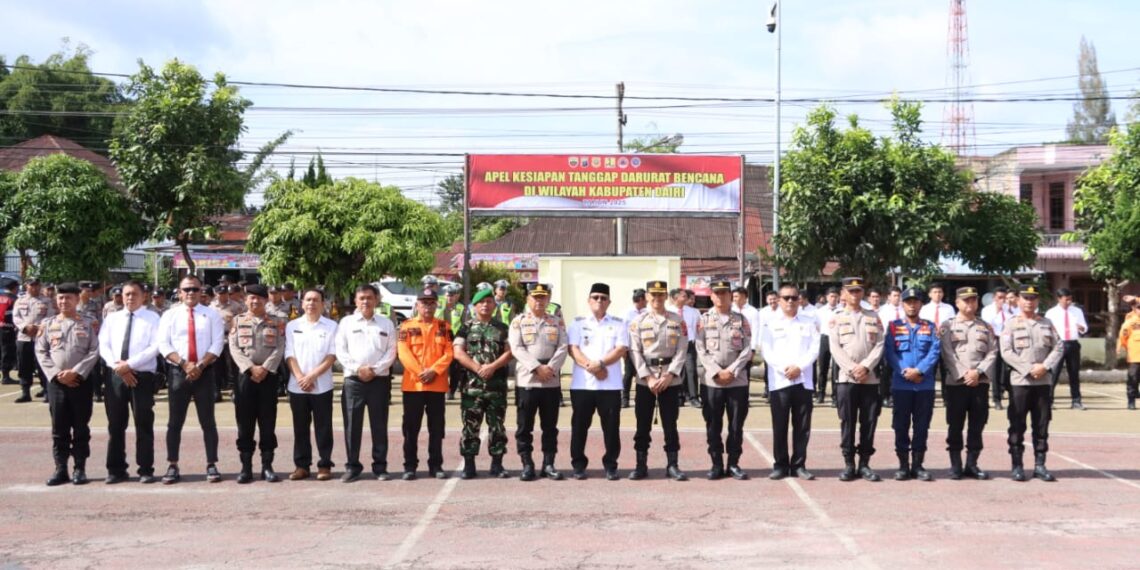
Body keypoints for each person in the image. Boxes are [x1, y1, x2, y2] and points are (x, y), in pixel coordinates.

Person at [157, 275, 226, 484]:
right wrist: (184, 364)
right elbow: (163, 344)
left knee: (208, 421)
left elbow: (217, 344)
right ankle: (172, 464)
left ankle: (212, 463)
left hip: (204, 372)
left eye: (194, 289)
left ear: (201, 291)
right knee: (174, 422)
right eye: (186, 289)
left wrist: (200, 365)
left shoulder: (211, 315)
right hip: (179, 372)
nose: (190, 293)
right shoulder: (169, 315)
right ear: (179, 292)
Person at [35, 283, 101, 486]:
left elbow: (94, 350)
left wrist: (76, 372)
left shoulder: (89, 323)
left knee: (81, 427)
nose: (64, 302)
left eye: (68, 298)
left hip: (80, 382)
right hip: (56, 384)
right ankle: (60, 468)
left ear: (77, 299)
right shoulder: (47, 324)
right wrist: (56, 374)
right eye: (60, 298)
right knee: (59, 428)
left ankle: (79, 468)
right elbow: (41, 351)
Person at [98, 281, 162, 484]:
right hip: (116, 376)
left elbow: (156, 346)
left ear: (144, 296)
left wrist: (130, 364)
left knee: (143, 424)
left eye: (134, 294)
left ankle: (145, 468)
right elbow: (104, 344)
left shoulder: (153, 318)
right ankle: (116, 469)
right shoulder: (112, 318)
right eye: (126, 294)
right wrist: (118, 366)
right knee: (115, 424)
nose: (130, 298)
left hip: (141, 376)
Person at [1000, 284, 1064, 482]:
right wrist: (1028, 368)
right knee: (1017, 424)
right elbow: (1006, 351)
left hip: (1043, 382)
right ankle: (1017, 465)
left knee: (1042, 425)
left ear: (1037, 301)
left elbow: (1059, 346)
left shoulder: (1046, 323)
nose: (1029, 301)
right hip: (1020, 381)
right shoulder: (1011, 324)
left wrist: (1044, 366)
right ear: (1018, 300)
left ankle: (1040, 465)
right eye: (1025, 298)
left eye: (1033, 298)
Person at [335, 284, 398, 482]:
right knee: (352, 425)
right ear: (355, 300)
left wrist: (375, 370)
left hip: (379, 380)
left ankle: (380, 467)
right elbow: (341, 351)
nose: (365, 301)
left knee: (379, 424)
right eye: (361, 298)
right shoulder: (346, 323)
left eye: (369, 298)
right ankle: (352, 466)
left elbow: (391, 351)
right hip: (354, 381)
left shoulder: (386, 323)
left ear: (376, 300)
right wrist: (357, 369)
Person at [628, 280, 689, 481]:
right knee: (642, 424)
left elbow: (682, 350)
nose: (657, 298)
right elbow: (635, 351)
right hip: (646, 380)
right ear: (646, 296)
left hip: (670, 380)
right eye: (653, 295)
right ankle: (640, 465)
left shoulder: (677, 321)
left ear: (666, 297)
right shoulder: (638, 321)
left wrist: (670, 375)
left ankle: (672, 465)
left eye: (661, 295)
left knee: (670, 424)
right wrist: (648, 376)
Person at [566, 283, 627, 481]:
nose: (599, 301)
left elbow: (620, 349)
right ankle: (578, 465)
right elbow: (573, 349)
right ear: (588, 300)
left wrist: (600, 364)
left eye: (603, 297)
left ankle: (611, 465)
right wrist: (591, 368)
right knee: (579, 426)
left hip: (609, 385)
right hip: (583, 384)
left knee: (611, 428)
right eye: (595, 297)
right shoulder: (577, 323)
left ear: (609, 301)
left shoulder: (619, 323)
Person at [509, 283, 569, 481]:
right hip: (528, 380)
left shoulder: (556, 322)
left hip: (550, 381)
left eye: (543, 297)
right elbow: (517, 348)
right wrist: (536, 367)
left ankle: (548, 463)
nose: (539, 301)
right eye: (535, 297)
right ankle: (527, 464)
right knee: (524, 426)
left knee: (550, 426)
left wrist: (550, 368)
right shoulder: (519, 322)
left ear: (548, 299)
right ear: (528, 299)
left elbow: (563, 347)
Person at [228, 284, 286, 484]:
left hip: (268, 377)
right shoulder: (238, 320)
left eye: (259, 298)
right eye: (251, 298)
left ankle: (267, 466)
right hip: (246, 377)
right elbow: (234, 347)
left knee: (268, 422)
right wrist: (250, 368)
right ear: (246, 300)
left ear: (266, 300)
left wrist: (265, 368)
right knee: (245, 423)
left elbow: (280, 347)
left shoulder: (277, 322)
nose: (255, 301)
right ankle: (246, 467)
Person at [829, 277, 886, 482]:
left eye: (858, 291)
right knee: (848, 421)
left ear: (863, 293)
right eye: (851, 291)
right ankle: (849, 463)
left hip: (870, 379)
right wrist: (853, 368)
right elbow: (835, 348)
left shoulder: (873, 317)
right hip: (847, 379)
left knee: (869, 421)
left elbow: (880, 345)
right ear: (844, 293)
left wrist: (866, 367)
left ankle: (865, 463)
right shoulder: (836, 318)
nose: (854, 294)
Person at [454, 286, 513, 479]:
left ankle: (497, 464)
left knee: (497, 427)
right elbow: (458, 352)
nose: (486, 305)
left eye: (489, 302)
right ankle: (469, 465)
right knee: (470, 426)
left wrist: (492, 367)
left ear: (494, 305)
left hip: (496, 388)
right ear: (475, 306)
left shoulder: (502, 328)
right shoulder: (466, 327)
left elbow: (509, 352)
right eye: (482, 302)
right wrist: (477, 368)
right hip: (472, 388)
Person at [761, 284, 820, 480]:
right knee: (780, 425)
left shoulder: (809, 322)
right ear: (778, 300)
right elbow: (767, 351)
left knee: (802, 426)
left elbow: (814, 349)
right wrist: (784, 369)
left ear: (799, 300)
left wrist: (799, 368)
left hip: (803, 381)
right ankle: (780, 464)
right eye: (786, 297)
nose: (790, 301)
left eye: (794, 298)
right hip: (780, 381)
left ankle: (799, 465)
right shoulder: (769, 322)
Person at [696, 280, 753, 480]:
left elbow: (747, 349)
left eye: (724, 293)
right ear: (711, 296)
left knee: (736, 424)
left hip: (737, 381)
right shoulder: (703, 319)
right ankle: (716, 463)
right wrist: (716, 372)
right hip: (712, 381)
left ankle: (734, 463)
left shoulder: (741, 319)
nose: (721, 297)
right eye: (717, 293)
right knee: (713, 423)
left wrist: (731, 371)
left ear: (731, 296)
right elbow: (700, 349)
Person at [939, 286, 998, 480]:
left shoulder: (985, 326)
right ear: (957, 303)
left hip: (979, 383)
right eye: (965, 300)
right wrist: (965, 373)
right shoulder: (947, 326)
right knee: (955, 425)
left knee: (977, 424)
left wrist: (978, 372)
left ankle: (972, 464)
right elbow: (947, 352)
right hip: (957, 383)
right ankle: (955, 465)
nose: (970, 303)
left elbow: (992, 352)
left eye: (973, 300)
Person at [884, 287, 941, 482]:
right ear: (902, 304)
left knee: (922, 426)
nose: (912, 305)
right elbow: (890, 353)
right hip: (901, 385)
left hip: (924, 385)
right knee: (900, 425)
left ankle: (918, 465)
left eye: (916, 301)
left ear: (921, 304)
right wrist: (905, 371)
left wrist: (920, 371)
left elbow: (934, 351)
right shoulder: (893, 326)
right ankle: (902, 465)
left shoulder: (930, 327)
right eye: (908, 301)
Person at [397, 286, 453, 480]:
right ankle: (409, 466)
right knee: (411, 429)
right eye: (424, 303)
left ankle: (436, 465)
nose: (427, 306)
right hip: (413, 385)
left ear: (436, 305)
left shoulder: (444, 327)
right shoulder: (407, 326)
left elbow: (449, 352)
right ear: (417, 305)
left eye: (431, 303)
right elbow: (403, 353)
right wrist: (420, 372)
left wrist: (434, 370)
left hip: (437, 386)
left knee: (436, 428)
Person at [283, 288, 338, 481]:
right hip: (297, 385)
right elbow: (289, 354)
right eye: (308, 300)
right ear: (302, 303)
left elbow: (332, 355)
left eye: (316, 300)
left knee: (323, 427)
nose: (311, 304)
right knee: (300, 427)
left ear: (323, 304)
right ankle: (301, 465)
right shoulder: (292, 326)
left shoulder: (331, 326)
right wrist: (300, 377)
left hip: (322, 385)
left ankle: (324, 465)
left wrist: (312, 376)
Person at [1044, 288, 1088, 410]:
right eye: (1066, 299)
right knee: (1054, 373)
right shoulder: (1051, 313)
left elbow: (1084, 326)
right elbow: (1047, 329)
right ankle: (1049, 400)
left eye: (1070, 299)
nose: (1068, 302)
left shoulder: (1077, 311)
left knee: (1074, 374)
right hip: (1058, 344)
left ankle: (1076, 401)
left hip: (1073, 343)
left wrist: (1082, 328)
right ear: (1059, 299)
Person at [13, 278, 51, 403]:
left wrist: (39, 327)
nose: (34, 288)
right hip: (24, 338)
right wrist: (25, 327)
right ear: (26, 286)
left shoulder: (47, 301)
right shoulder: (20, 301)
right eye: (31, 285)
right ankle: (25, 392)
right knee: (24, 366)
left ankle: (46, 391)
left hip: (41, 337)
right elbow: (16, 317)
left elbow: (50, 317)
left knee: (42, 365)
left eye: (37, 285)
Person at [982, 285, 1016, 410]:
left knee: (1008, 369)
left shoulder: (1010, 310)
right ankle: (996, 399)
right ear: (994, 298)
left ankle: (1009, 394)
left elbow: (1012, 324)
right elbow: (989, 326)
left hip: (1007, 341)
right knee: (995, 370)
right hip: (994, 340)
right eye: (1000, 298)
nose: (1002, 300)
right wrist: (997, 311)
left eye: (1004, 298)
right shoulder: (988, 310)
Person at [669, 288, 701, 408]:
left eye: (685, 296)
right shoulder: (668, 311)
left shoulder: (693, 312)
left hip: (689, 344)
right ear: (674, 298)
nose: (685, 298)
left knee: (691, 370)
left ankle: (693, 397)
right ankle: (679, 396)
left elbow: (698, 328)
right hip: (673, 346)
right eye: (682, 296)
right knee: (677, 371)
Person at [437, 284, 467, 401]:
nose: (450, 298)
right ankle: (442, 389)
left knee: (455, 368)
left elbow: (465, 324)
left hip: (455, 339)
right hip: (440, 338)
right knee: (442, 366)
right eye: (448, 295)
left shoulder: (461, 308)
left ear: (456, 296)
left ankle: (452, 390)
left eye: (452, 295)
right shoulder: (438, 307)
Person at [815, 287, 841, 407]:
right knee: (823, 368)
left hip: (837, 339)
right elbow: (817, 327)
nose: (833, 299)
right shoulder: (820, 311)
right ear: (826, 297)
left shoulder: (842, 310)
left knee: (836, 369)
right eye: (831, 296)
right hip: (824, 338)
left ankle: (835, 396)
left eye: (835, 296)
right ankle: (821, 393)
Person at [621, 288, 647, 408]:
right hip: (630, 349)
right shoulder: (628, 313)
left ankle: (640, 398)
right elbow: (624, 332)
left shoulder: (647, 312)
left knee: (642, 374)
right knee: (628, 374)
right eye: (645, 299)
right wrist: (624, 349)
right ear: (641, 299)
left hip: (644, 349)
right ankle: (624, 398)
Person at [1119, 296, 1140, 410]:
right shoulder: (1130, 321)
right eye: (1138, 308)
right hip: (1135, 356)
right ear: (1134, 308)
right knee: (1133, 379)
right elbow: (1123, 336)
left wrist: (1135, 298)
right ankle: (1131, 401)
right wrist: (1127, 348)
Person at [0, 280, 18, 385]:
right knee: (7, 351)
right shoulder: (14, 299)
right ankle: (6, 376)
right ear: (14, 288)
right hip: (9, 328)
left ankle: (4, 374)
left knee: (2, 350)